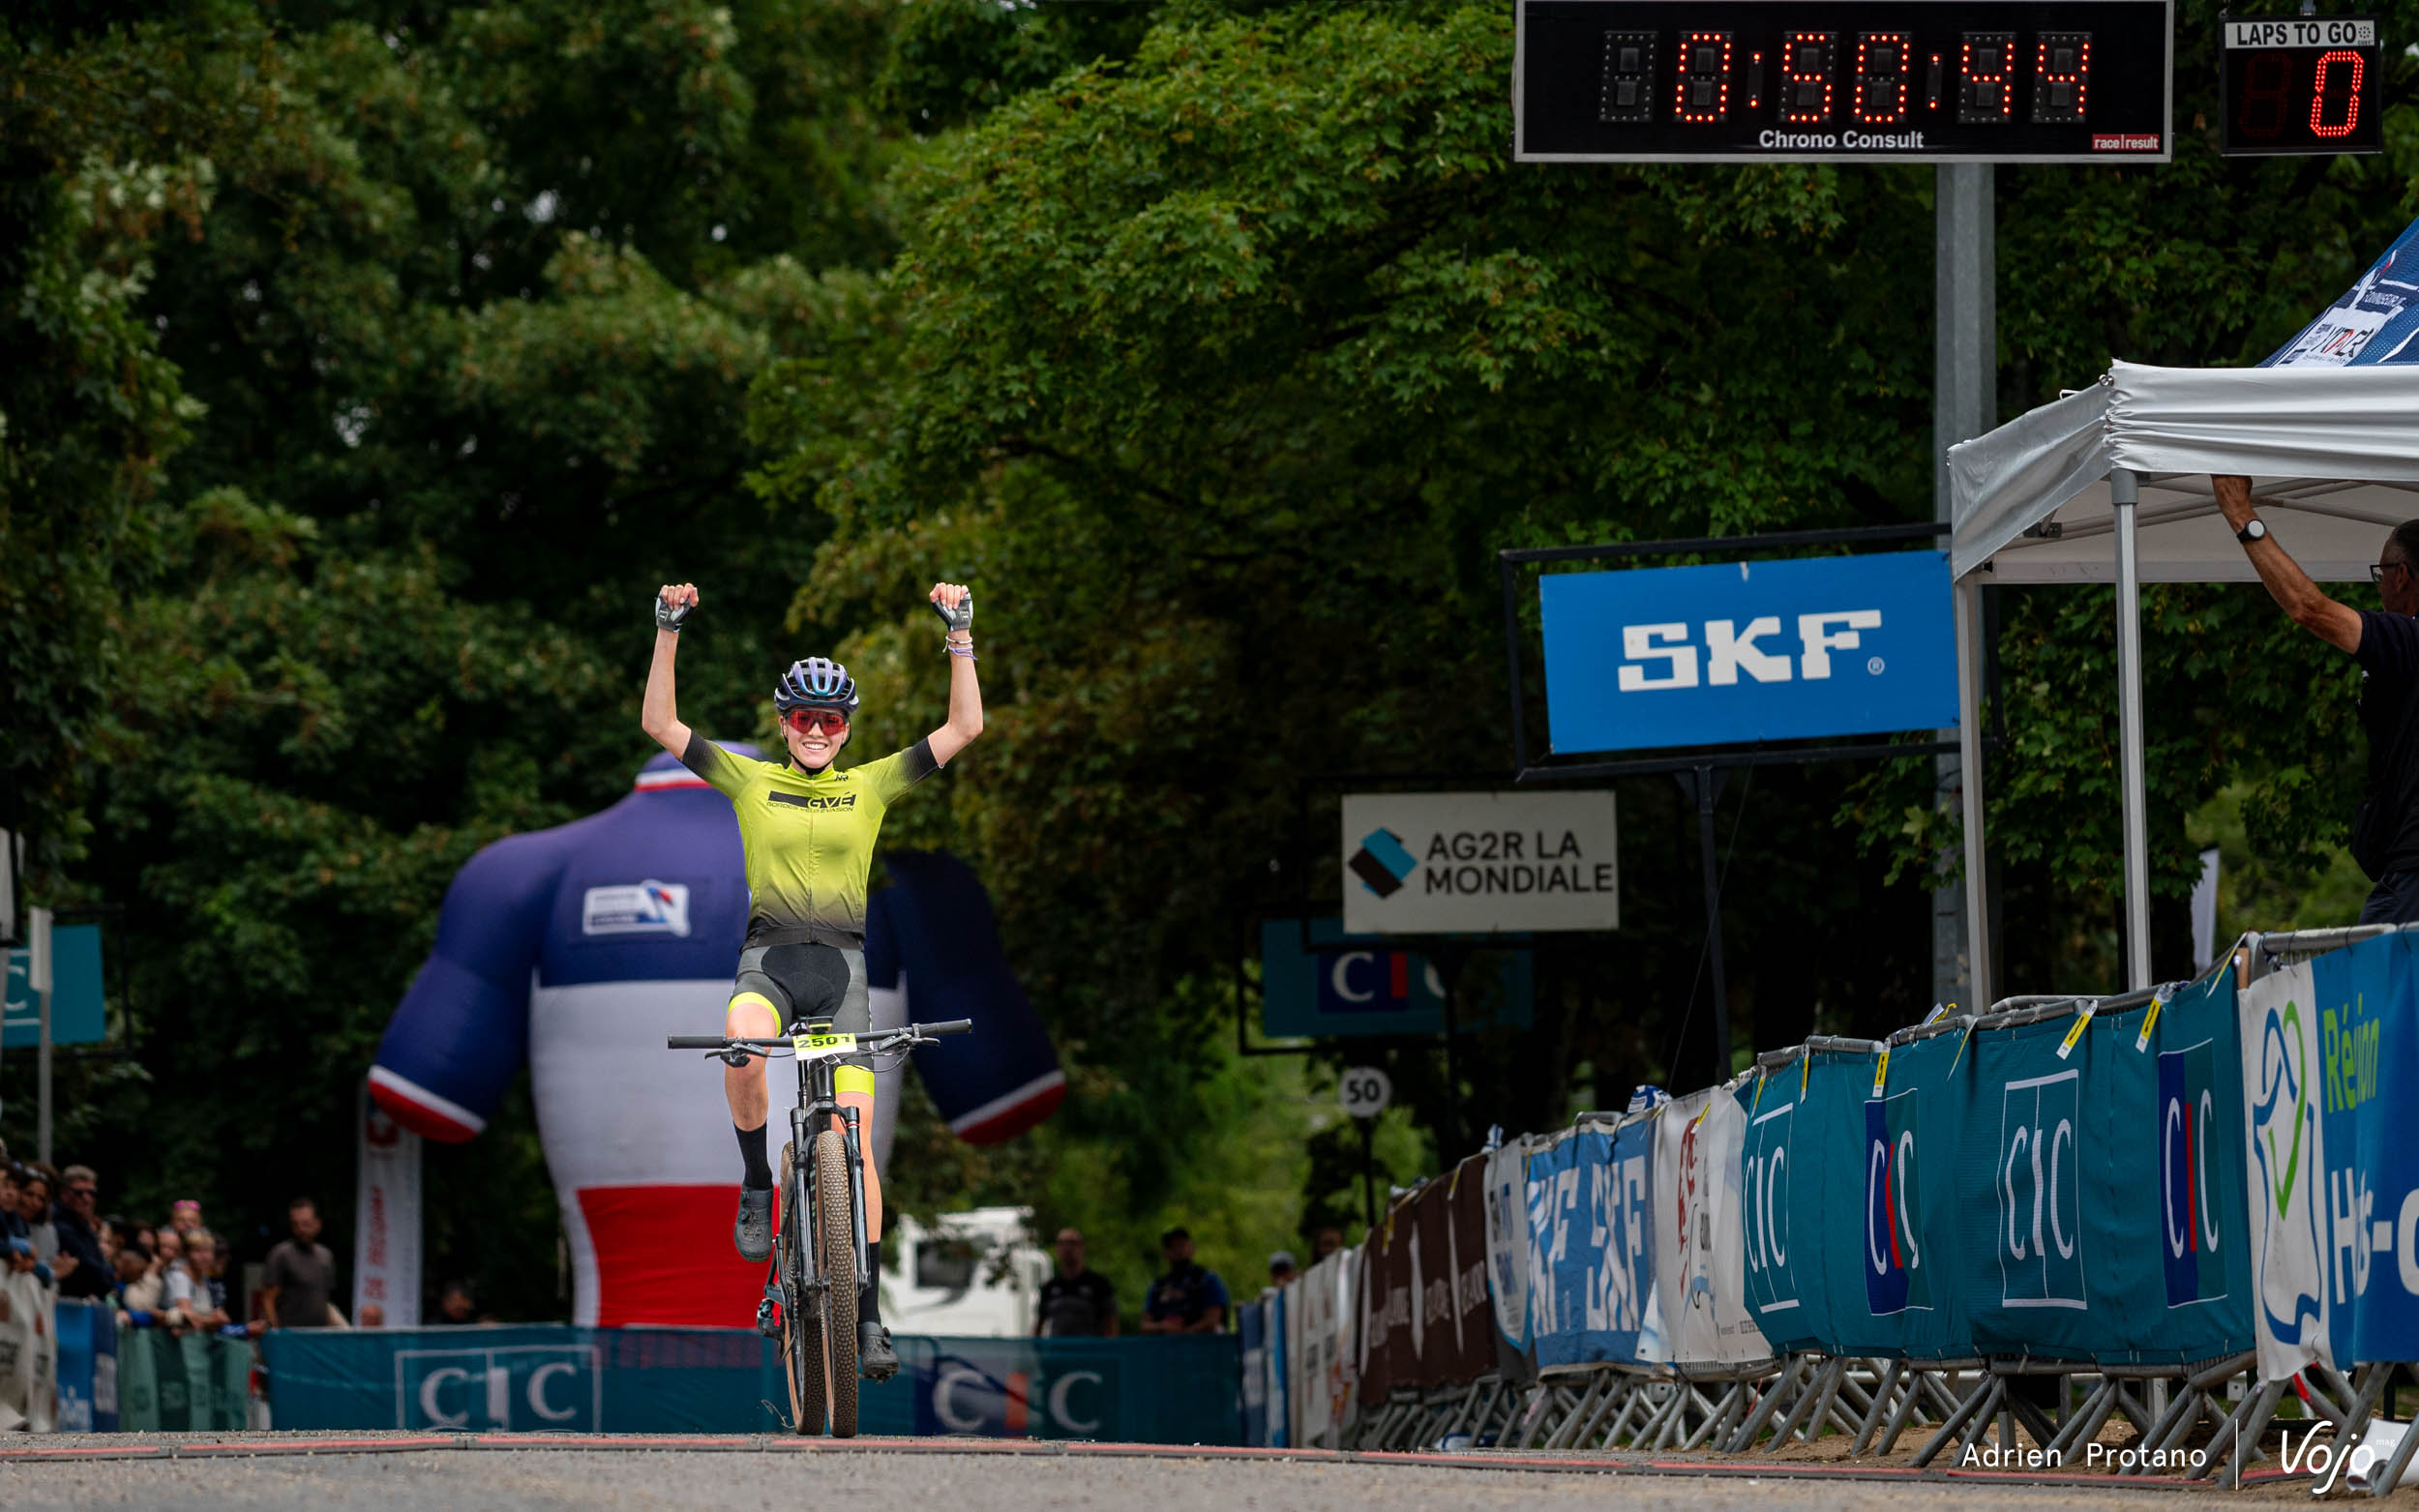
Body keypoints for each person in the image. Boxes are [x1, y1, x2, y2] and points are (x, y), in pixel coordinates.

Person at [641, 576, 983, 1382]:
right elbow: (660, 722)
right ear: (785, 723)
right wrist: (668, 628)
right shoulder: (751, 780)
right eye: (805, 718)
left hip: (843, 971)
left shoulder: (870, 784)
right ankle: (758, 1180)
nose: (819, 730)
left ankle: (866, 1318)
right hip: (769, 962)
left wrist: (960, 634)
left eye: (832, 720)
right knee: (743, 1045)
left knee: (856, 1142)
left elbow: (965, 726)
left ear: (845, 727)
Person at [2215, 478, 2419, 921]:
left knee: (2382, 984)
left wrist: (2240, 515)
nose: (2379, 588)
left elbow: (2310, 609)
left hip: (2412, 871)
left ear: (2402, 576)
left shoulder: (2411, 639)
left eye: (2381, 574)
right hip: (2400, 865)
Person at [263, 1197, 338, 1330]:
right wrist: (275, 1334)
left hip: (318, 1335)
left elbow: (325, 1300)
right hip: (291, 1335)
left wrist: (330, 1332)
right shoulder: (281, 1254)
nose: (301, 1229)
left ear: (317, 1224)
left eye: (306, 1224)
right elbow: (268, 1299)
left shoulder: (325, 1256)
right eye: (295, 1224)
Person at [1140, 1228, 1229, 1335]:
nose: (1179, 1250)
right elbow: (1144, 1325)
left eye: (1182, 1245)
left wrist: (1185, 1332)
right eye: (1173, 1246)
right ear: (1166, 1252)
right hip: (1167, 1345)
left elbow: (1213, 1320)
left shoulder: (1207, 1280)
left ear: (1192, 1247)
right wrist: (1163, 1326)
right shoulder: (1159, 1286)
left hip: (1203, 1343)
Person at [1035, 1227, 1119, 1337]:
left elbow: (1111, 1324)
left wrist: (1110, 1349)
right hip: (1058, 1352)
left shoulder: (1099, 1284)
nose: (1067, 1248)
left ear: (1082, 1248)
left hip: (1091, 1351)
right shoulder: (1049, 1287)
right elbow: (1038, 1325)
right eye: (1062, 1243)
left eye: (1072, 1243)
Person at [50, 1165, 109, 1299]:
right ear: (64, 1192)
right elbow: (92, 1274)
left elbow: (105, 1277)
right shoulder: (58, 1224)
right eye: (79, 1193)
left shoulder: (84, 1227)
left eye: (92, 1194)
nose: (87, 1199)